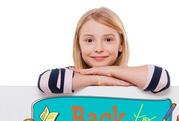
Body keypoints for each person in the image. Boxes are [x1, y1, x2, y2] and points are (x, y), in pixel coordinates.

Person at [38, 7, 170, 94]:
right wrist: (98, 79)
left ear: (121, 45)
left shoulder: (130, 77)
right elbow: (44, 81)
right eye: (89, 40)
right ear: (79, 45)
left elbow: (162, 79)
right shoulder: (71, 75)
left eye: (108, 40)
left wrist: (109, 71)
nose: (99, 49)